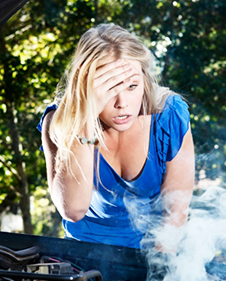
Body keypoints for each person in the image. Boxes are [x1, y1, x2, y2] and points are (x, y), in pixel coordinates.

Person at [38, 24, 194, 250]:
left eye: (132, 86)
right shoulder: (59, 121)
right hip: (84, 260)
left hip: (152, 258)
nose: (122, 103)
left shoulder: (169, 117)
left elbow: (176, 215)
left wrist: (155, 276)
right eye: (110, 89)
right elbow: (73, 210)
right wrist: (85, 118)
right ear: (86, 85)